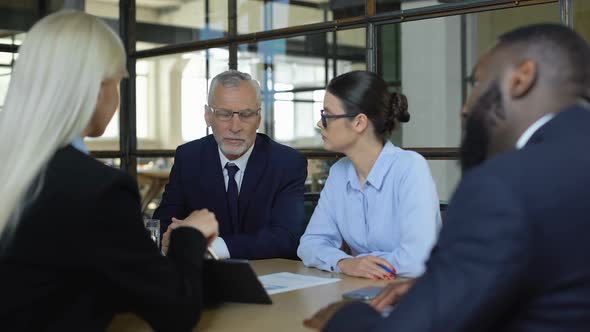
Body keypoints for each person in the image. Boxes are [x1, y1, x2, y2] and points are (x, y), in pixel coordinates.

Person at [305, 23, 590, 331]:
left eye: (477, 83)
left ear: (521, 78)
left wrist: (344, 317)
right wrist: (431, 286)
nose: (465, 108)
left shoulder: (503, 184)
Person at [0, 11, 219, 332]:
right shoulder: (97, 189)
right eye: (119, 83)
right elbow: (176, 312)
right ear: (100, 89)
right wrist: (192, 235)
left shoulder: (18, 169)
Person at [297, 71, 441, 279]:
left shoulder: (410, 168)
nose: (320, 124)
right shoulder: (339, 172)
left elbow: (418, 260)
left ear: (359, 123)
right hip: (362, 290)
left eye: (326, 116)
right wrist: (345, 262)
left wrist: (362, 263)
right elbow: (310, 244)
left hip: (414, 296)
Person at [154, 70, 308, 259]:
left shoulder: (287, 163)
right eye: (224, 114)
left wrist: (209, 246)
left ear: (259, 118)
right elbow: (163, 225)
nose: (235, 127)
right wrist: (170, 239)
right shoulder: (188, 157)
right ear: (208, 115)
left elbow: (287, 238)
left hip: (269, 278)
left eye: (246, 114)